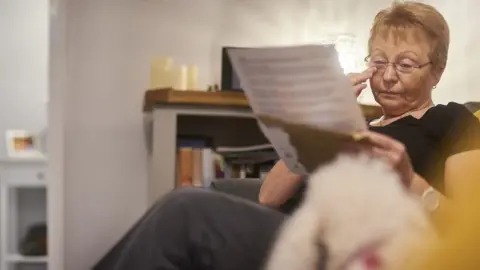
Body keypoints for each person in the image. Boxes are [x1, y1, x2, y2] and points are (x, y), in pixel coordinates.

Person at [93, 2, 480, 270]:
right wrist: (322, 118)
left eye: (406, 64)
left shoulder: (453, 122)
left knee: (184, 211)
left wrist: (411, 182)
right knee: (178, 205)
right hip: (297, 236)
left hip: (357, 251)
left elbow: (471, 231)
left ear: (437, 71)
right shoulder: (352, 124)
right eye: (378, 62)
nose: (388, 75)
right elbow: (269, 195)